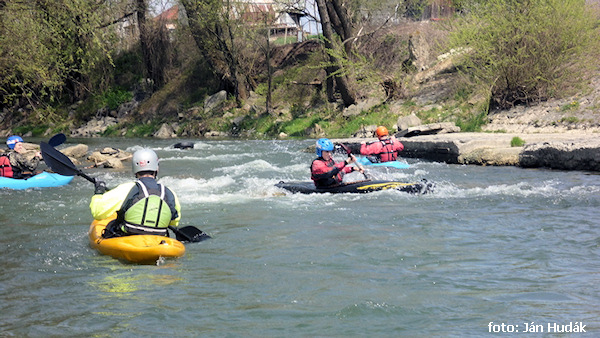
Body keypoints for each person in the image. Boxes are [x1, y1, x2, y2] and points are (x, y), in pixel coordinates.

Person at [89, 148, 181, 238]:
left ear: (135, 169)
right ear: (156, 168)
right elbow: (174, 221)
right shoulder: (169, 192)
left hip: (128, 236)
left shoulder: (126, 188)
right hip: (159, 238)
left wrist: (99, 192)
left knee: (112, 225)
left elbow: (98, 212)